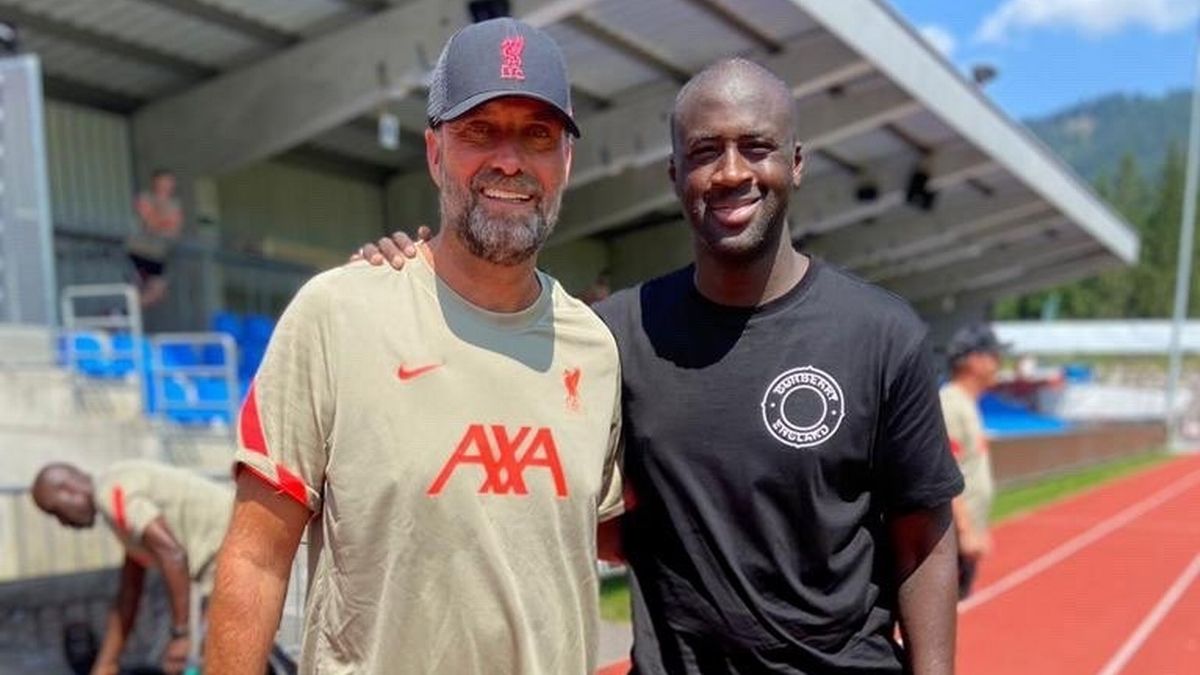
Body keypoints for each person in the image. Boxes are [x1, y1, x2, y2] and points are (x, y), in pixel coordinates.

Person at [362, 58, 964, 674]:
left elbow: (922, 535)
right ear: (676, 174)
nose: (732, 172)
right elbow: (559, 495)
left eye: (756, 147)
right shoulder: (613, 336)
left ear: (797, 163)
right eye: (705, 152)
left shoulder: (882, 333)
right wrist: (417, 271)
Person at [205, 17, 624, 675]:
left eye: (537, 135)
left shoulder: (595, 350)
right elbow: (255, 558)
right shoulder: (338, 314)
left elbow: (614, 538)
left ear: (565, 161)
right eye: (479, 131)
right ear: (434, 152)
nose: (509, 160)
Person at [31, 460, 233, 675]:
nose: (62, 522)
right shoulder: (115, 492)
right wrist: (107, 663)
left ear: (68, 489)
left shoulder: (112, 494)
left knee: (201, 658)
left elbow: (172, 554)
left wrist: (181, 635)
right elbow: (130, 590)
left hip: (231, 555)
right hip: (225, 558)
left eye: (56, 512)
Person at [941, 323, 1006, 599]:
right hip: (949, 540)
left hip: (961, 538)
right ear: (973, 360)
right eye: (993, 356)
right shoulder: (951, 403)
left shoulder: (967, 404)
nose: (998, 364)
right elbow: (946, 472)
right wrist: (967, 531)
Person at [128, 169, 183, 308]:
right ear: (156, 182)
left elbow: (175, 229)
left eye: (170, 182)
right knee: (137, 288)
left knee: (158, 292)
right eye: (164, 182)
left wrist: (163, 224)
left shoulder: (174, 203)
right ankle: (122, 313)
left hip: (159, 253)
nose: (167, 186)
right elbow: (150, 223)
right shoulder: (144, 198)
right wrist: (164, 223)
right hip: (140, 251)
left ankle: (122, 312)